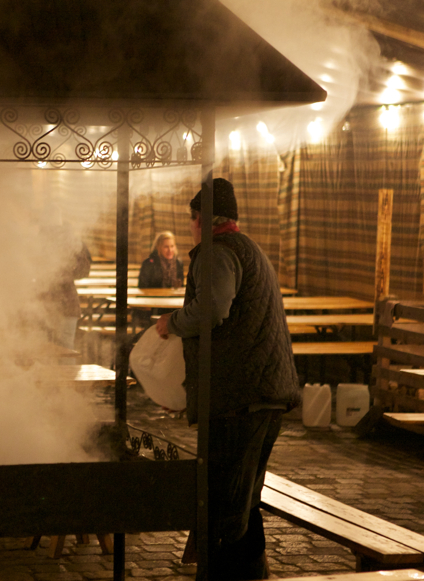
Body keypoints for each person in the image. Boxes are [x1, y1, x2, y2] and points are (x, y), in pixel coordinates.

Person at [155, 178, 300, 581]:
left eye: (191, 219)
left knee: (223, 502)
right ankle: (252, 573)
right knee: (242, 500)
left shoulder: (217, 253)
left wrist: (172, 322)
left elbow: (211, 312)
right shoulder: (247, 247)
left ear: (199, 219)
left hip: (242, 399)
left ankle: (226, 576)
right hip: (262, 392)